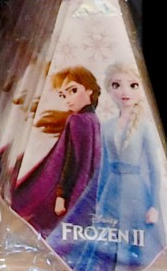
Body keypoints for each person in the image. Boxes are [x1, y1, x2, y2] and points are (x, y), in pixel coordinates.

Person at [75, 64, 167, 271]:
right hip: (111, 191)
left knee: (135, 237)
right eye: (117, 85)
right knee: (107, 237)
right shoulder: (106, 126)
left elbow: (155, 169)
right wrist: (98, 200)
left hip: (136, 193)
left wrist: (155, 206)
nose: (125, 91)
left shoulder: (145, 127)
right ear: (109, 90)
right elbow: (104, 167)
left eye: (133, 85)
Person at [12, 66, 102, 237]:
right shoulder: (94, 121)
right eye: (63, 95)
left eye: (73, 91)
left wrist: (61, 195)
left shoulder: (77, 121)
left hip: (71, 190)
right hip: (87, 193)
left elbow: (71, 161)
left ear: (89, 89)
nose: (68, 100)